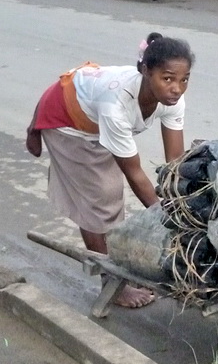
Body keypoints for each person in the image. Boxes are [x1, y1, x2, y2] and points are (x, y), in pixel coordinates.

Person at [26, 32, 194, 308]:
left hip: (93, 112)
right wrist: (170, 220)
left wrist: (185, 207)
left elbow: (175, 161)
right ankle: (112, 282)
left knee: (112, 202)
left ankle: (121, 268)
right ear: (145, 72)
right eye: (167, 78)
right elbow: (134, 173)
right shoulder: (116, 103)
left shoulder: (173, 100)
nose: (177, 88)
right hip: (68, 121)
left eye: (184, 79)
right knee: (100, 200)